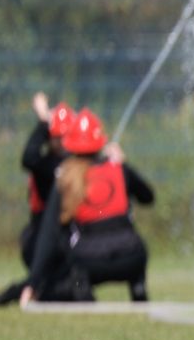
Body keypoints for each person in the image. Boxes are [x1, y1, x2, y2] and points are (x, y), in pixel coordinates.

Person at [21, 107, 157, 304]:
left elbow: (49, 234)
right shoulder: (118, 169)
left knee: (71, 269)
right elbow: (148, 197)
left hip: (90, 263)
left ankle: (83, 295)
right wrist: (124, 164)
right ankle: (138, 288)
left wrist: (33, 283)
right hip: (131, 256)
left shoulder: (66, 179)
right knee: (138, 249)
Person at [0, 92, 71, 308]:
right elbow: (29, 157)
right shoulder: (48, 165)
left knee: (61, 287)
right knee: (53, 287)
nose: (64, 143)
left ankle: (18, 292)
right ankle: (20, 292)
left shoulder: (74, 163)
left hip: (65, 238)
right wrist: (42, 122)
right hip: (41, 238)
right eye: (58, 137)